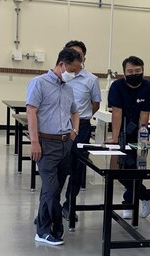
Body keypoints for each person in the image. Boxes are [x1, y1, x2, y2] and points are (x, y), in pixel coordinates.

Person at [27, 48, 82, 245]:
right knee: (50, 189)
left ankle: (42, 229)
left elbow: (75, 111)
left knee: (54, 190)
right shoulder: (39, 83)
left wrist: (74, 131)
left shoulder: (68, 88)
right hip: (46, 144)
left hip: (65, 144)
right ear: (61, 65)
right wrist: (34, 142)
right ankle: (52, 229)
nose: (75, 74)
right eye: (73, 69)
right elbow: (31, 112)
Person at [106, 56, 150, 219]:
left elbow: (145, 115)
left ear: (142, 70)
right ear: (124, 72)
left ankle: (129, 202)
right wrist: (115, 137)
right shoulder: (117, 86)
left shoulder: (149, 87)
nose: (134, 74)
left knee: (137, 169)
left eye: (138, 71)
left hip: (140, 134)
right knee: (119, 170)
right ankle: (147, 195)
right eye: (130, 71)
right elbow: (117, 112)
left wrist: (142, 139)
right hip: (121, 133)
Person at [62, 40, 102, 221]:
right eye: (71, 54)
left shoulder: (91, 80)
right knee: (59, 165)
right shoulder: (59, 76)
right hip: (60, 127)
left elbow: (95, 104)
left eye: (78, 55)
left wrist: (80, 120)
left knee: (77, 167)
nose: (74, 58)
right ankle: (51, 205)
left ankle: (69, 204)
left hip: (82, 127)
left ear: (84, 58)